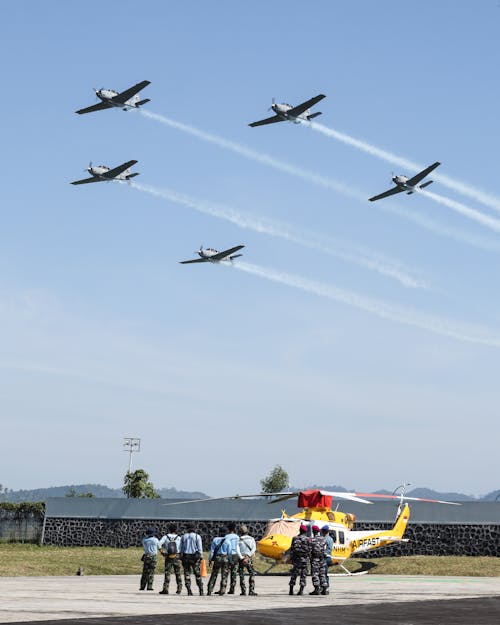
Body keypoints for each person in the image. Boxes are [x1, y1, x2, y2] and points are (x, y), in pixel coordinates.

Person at [158, 523, 182, 595]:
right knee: (178, 573)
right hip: (177, 556)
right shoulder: (179, 538)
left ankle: (165, 589)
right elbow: (181, 547)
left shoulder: (165, 537)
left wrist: (162, 551)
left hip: (168, 556)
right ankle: (179, 588)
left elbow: (159, 544)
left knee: (167, 573)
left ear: (169, 529)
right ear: (176, 530)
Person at [180, 525, 204, 595]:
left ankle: (189, 590)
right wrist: (201, 557)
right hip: (195, 558)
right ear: (194, 529)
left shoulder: (183, 536)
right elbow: (200, 549)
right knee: (197, 574)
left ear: (187, 529)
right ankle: (201, 590)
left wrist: (181, 557)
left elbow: (181, 548)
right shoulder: (197, 536)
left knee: (187, 574)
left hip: (186, 557)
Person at [207, 526, 231, 596]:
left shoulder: (215, 540)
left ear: (219, 532)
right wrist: (231, 560)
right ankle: (222, 589)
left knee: (214, 574)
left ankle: (209, 589)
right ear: (226, 533)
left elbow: (212, 551)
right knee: (224, 575)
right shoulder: (228, 540)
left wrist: (210, 559)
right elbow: (229, 552)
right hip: (225, 558)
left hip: (217, 558)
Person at [289, 523, 311, 596]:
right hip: (304, 560)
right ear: (305, 531)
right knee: (303, 575)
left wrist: (291, 558)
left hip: (296, 559)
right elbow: (310, 550)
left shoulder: (294, 538)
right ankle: (301, 591)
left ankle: (291, 590)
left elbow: (291, 549)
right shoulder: (308, 539)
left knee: (294, 574)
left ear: (300, 530)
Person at [236, 524, 257, 596]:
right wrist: (248, 557)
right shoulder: (251, 539)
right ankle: (251, 590)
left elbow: (237, 550)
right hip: (249, 558)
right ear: (247, 531)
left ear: (240, 532)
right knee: (252, 573)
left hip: (241, 558)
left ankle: (243, 591)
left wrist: (242, 558)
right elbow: (254, 549)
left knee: (241, 574)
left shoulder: (239, 539)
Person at [309, 524, 328, 595]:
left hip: (315, 559)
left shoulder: (312, 540)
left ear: (313, 531)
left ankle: (317, 589)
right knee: (322, 574)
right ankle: (324, 589)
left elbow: (310, 550)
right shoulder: (324, 539)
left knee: (315, 574)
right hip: (323, 559)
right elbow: (326, 549)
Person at [224, 522, 240, 594]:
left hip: (228, 555)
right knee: (234, 573)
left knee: (225, 572)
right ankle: (232, 589)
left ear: (228, 529)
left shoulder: (226, 537)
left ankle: (223, 588)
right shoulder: (237, 537)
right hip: (235, 555)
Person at [321, 525, 334, 592]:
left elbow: (328, 549)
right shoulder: (330, 539)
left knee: (323, 572)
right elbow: (330, 549)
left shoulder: (324, 539)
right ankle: (325, 586)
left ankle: (325, 587)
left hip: (325, 557)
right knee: (325, 572)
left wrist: (323, 553)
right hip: (328, 557)